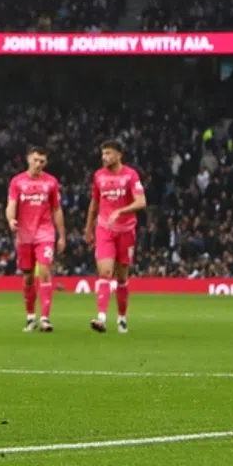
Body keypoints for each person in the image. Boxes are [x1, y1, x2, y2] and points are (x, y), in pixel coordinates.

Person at [86, 139, 145, 334]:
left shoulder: (131, 175)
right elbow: (94, 204)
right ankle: (101, 318)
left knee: (122, 277)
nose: (104, 157)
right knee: (105, 272)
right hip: (104, 229)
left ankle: (121, 318)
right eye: (103, 154)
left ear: (119, 155)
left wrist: (121, 211)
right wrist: (88, 229)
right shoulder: (98, 176)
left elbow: (141, 202)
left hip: (126, 230)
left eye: (109, 154)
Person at [5, 145, 64, 333]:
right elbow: (11, 204)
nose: (38, 164)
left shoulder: (51, 183)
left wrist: (62, 234)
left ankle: (45, 318)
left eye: (42, 162)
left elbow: (56, 209)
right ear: (28, 158)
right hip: (24, 235)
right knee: (28, 277)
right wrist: (11, 219)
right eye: (36, 160)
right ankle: (31, 317)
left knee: (45, 271)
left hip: (45, 233)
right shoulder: (17, 182)